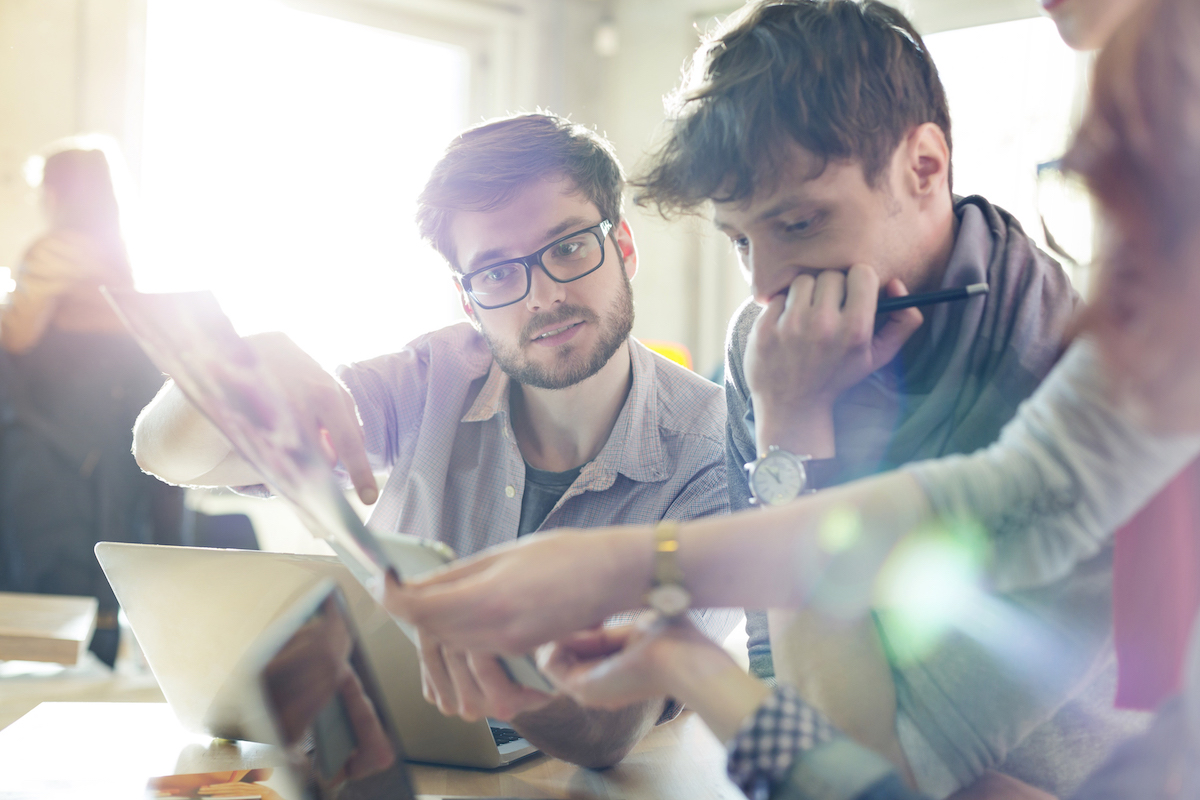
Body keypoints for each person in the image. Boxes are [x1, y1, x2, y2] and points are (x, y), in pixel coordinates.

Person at [383, 1, 1156, 796]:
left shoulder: (1073, 386)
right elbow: (782, 690)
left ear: (924, 168)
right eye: (741, 240)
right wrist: (682, 655)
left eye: (799, 222)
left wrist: (790, 432)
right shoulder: (772, 343)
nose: (762, 286)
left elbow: (861, 771)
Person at [132, 113, 741, 768]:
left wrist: (489, 666)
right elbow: (167, 455)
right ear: (467, 300)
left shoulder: (719, 452)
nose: (542, 297)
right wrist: (229, 362)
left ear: (622, 244)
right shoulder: (432, 380)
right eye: (498, 273)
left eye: (567, 248)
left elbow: (613, 726)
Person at [0, 140, 182, 666]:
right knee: (96, 595)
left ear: (56, 192)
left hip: (54, 455)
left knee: (46, 596)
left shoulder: (55, 251)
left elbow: (15, 339)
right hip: (113, 458)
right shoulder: (125, 256)